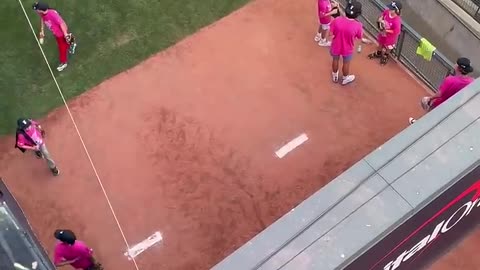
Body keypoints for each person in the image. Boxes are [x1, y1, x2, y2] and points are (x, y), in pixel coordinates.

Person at [409, 57, 474, 124]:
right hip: (453, 105)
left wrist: (429, 98)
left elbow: (439, 94)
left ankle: (417, 125)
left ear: (458, 68)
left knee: (429, 116)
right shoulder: (471, 81)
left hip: (440, 104)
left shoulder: (450, 80)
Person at [329, 1, 370, 85]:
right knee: (346, 63)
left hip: (336, 45)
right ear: (358, 14)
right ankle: (345, 78)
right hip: (348, 48)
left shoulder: (337, 20)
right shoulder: (358, 25)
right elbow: (359, 37)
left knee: (335, 59)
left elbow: (330, 34)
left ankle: (335, 76)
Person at [32, 1, 77, 72]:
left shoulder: (52, 14)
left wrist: (65, 34)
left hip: (61, 34)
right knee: (64, 45)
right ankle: (71, 43)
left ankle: (63, 63)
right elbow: (42, 19)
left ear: (41, 9)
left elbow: (61, 23)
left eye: (37, 9)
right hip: (56, 33)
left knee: (62, 49)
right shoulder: (42, 13)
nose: (36, 10)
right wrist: (42, 30)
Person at [368, 1, 403, 65]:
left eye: (391, 9)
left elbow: (396, 31)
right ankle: (379, 53)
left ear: (396, 11)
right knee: (380, 43)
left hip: (390, 37)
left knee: (389, 47)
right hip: (383, 34)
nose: (389, 9)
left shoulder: (397, 21)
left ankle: (385, 55)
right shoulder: (387, 12)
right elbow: (383, 15)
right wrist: (380, 19)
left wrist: (386, 31)